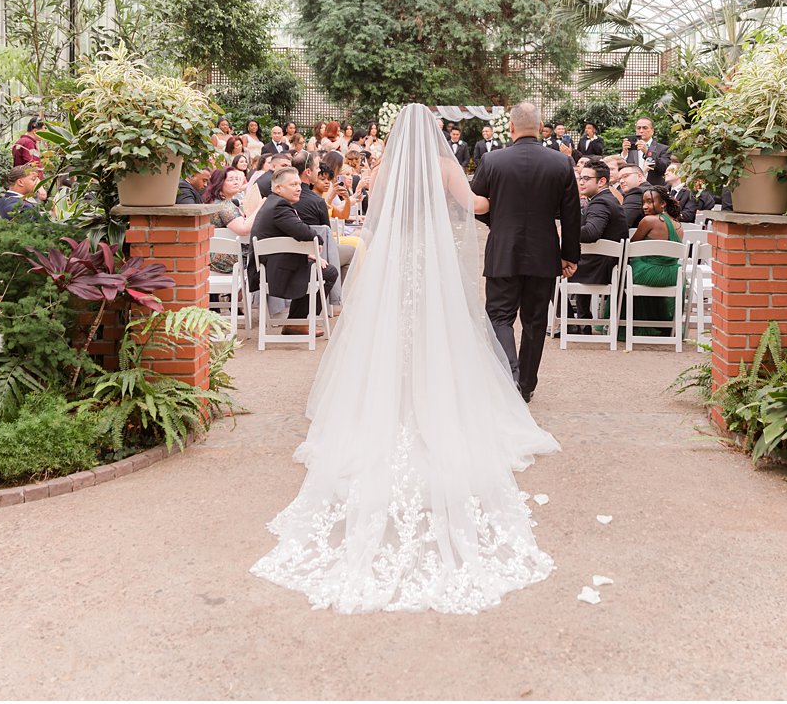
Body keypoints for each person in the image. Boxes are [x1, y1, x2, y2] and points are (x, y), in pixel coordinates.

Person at [251, 103, 558, 614]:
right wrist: (502, 200)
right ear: (434, 134)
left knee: (392, 335)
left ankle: (389, 404)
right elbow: (477, 207)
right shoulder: (444, 167)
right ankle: (435, 403)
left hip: (396, 264)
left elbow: (373, 217)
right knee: (440, 332)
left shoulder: (385, 167)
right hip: (430, 264)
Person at [469, 101, 581, 404]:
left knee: (498, 317)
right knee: (534, 321)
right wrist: (569, 255)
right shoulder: (560, 163)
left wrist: (500, 222)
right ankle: (527, 384)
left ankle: (512, 375)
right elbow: (572, 215)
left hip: (503, 250)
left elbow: (476, 203)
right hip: (544, 253)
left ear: (512, 127)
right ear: (541, 126)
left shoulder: (492, 161)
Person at [250, 166, 338, 337]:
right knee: (329, 273)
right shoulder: (279, 206)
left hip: (269, 268)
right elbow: (304, 232)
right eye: (293, 185)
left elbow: (285, 237)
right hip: (274, 273)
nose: (298, 188)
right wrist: (316, 242)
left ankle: (296, 322)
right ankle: (298, 322)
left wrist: (306, 254)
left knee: (315, 267)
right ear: (278, 188)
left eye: (299, 183)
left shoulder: (272, 202)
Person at [570, 159, 628, 333]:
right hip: (604, 265)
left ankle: (571, 324)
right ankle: (582, 320)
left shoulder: (600, 202)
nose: (581, 182)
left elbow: (591, 232)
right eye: (580, 178)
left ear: (601, 181)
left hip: (601, 269)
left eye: (586, 178)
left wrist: (565, 232)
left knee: (548, 270)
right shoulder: (606, 199)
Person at [623, 186, 682, 335]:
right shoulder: (678, 225)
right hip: (673, 275)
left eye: (649, 202)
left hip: (649, 273)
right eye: (643, 202)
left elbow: (631, 247)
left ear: (663, 204)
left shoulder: (648, 221)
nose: (644, 206)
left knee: (622, 272)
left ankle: (622, 325)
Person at [200, 168, 252, 273]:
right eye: (231, 179)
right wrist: (259, 208)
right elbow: (243, 229)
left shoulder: (216, 201)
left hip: (214, 254)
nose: (236, 182)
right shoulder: (224, 205)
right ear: (219, 183)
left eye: (237, 179)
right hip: (225, 258)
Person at [624, 118, 670, 188]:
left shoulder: (663, 149)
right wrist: (624, 153)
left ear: (652, 131)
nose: (641, 131)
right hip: (634, 189)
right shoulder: (631, 149)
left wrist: (647, 152)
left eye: (645, 128)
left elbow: (664, 169)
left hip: (654, 190)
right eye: (638, 128)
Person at [617, 163, 647, 230]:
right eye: (619, 179)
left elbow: (621, 224)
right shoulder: (649, 189)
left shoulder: (636, 192)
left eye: (625, 176)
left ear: (639, 176)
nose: (621, 181)